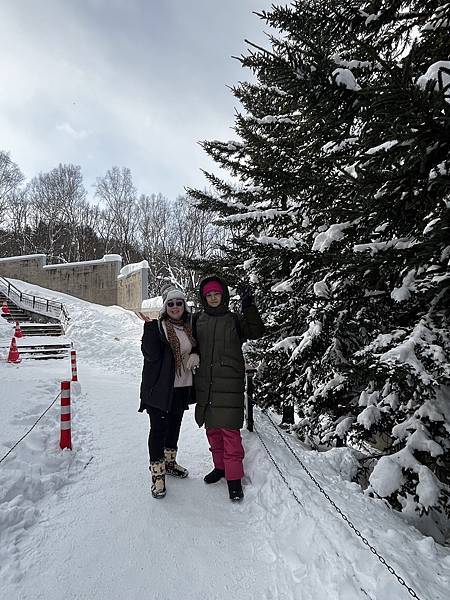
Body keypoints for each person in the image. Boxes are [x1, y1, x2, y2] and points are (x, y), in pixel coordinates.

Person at [192, 275, 264, 501]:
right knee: (212, 430)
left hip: (229, 384)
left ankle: (234, 480)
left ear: (223, 295)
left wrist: (249, 305)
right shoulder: (198, 320)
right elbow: (187, 340)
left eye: (216, 294)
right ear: (204, 298)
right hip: (206, 383)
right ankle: (220, 468)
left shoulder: (234, 320)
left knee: (230, 433)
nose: (213, 298)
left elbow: (256, 330)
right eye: (209, 295)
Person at [138, 287, 199, 499]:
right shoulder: (157, 327)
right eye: (171, 304)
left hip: (182, 387)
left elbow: (197, 346)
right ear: (165, 307)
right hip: (159, 389)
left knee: (174, 426)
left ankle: (170, 463)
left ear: (184, 305)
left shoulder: (190, 327)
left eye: (179, 303)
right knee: (158, 430)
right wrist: (149, 329)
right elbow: (151, 355)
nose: (175, 307)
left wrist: (196, 354)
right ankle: (157, 475)